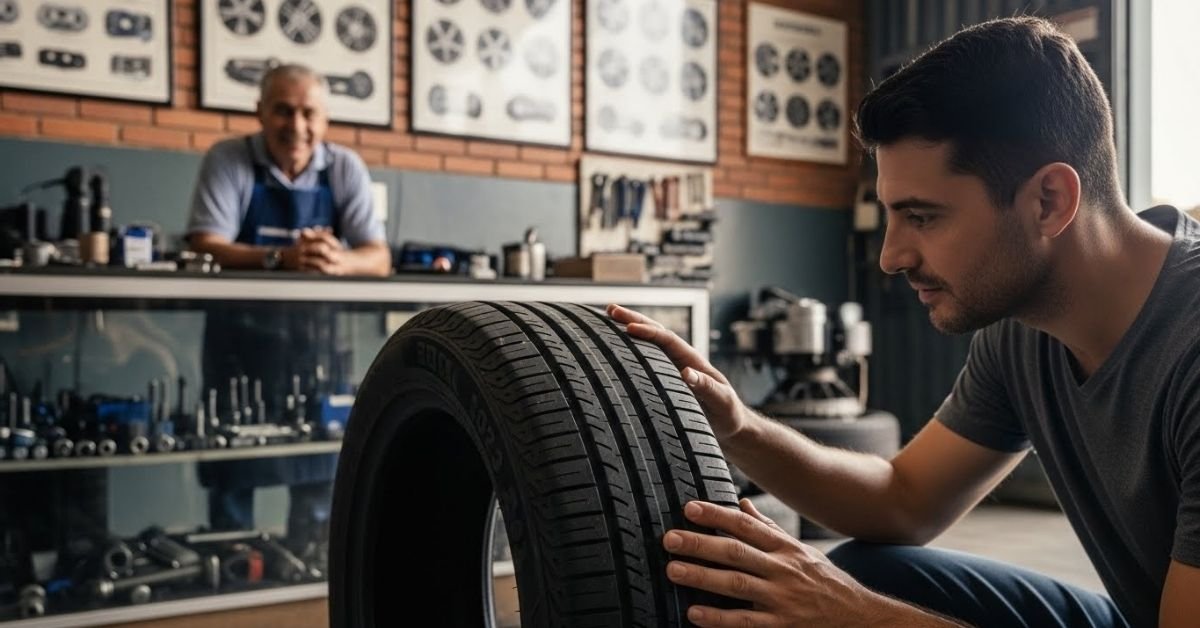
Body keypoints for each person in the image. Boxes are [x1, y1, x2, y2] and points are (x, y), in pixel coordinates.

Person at [610, 16, 1199, 628]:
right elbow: (903, 501)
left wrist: (854, 615)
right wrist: (735, 424)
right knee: (876, 572)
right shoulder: (1024, 330)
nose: (891, 257)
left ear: (1049, 201)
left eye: (922, 217)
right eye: (891, 216)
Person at [186, 64, 390, 561]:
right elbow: (205, 243)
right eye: (283, 110)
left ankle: (308, 574)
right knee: (233, 473)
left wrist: (338, 260)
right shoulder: (229, 159)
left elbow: (379, 258)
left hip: (315, 352)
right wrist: (281, 259)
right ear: (260, 111)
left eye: (308, 113)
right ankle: (232, 570)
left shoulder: (343, 168)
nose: (296, 126)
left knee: (319, 478)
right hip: (240, 350)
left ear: (324, 120)